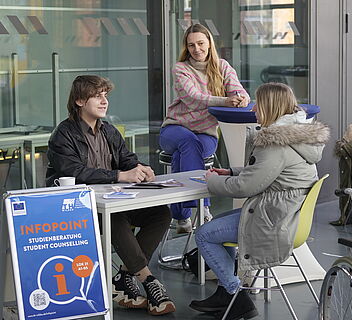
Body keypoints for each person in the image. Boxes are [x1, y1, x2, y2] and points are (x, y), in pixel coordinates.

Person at [189, 82, 330, 320]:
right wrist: (233, 171)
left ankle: (235, 295)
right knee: (218, 228)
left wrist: (211, 180)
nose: (253, 111)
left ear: (270, 107)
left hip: (271, 221)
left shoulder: (275, 143)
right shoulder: (298, 137)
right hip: (286, 217)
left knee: (204, 234)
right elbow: (268, 171)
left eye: (258, 105)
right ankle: (226, 292)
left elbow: (246, 187)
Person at [46, 75, 176, 316]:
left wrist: (141, 169)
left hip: (114, 201)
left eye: (105, 95)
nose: (104, 101)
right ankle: (149, 281)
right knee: (114, 219)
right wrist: (120, 176)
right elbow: (74, 171)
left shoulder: (109, 131)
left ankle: (125, 275)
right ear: (79, 101)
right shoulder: (63, 134)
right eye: (97, 96)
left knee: (160, 214)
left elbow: (127, 159)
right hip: (78, 208)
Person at [159, 23, 250, 234]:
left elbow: (238, 90)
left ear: (209, 43)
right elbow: (193, 99)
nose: (196, 49)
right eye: (191, 45)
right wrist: (226, 101)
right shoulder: (181, 68)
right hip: (175, 128)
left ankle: (181, 217)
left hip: (205, 133)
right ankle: (202, 207)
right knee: (188, 142)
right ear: (186, 48)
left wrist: (241, 98)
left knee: (184, 155)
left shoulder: (223, 66)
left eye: (200, 43)